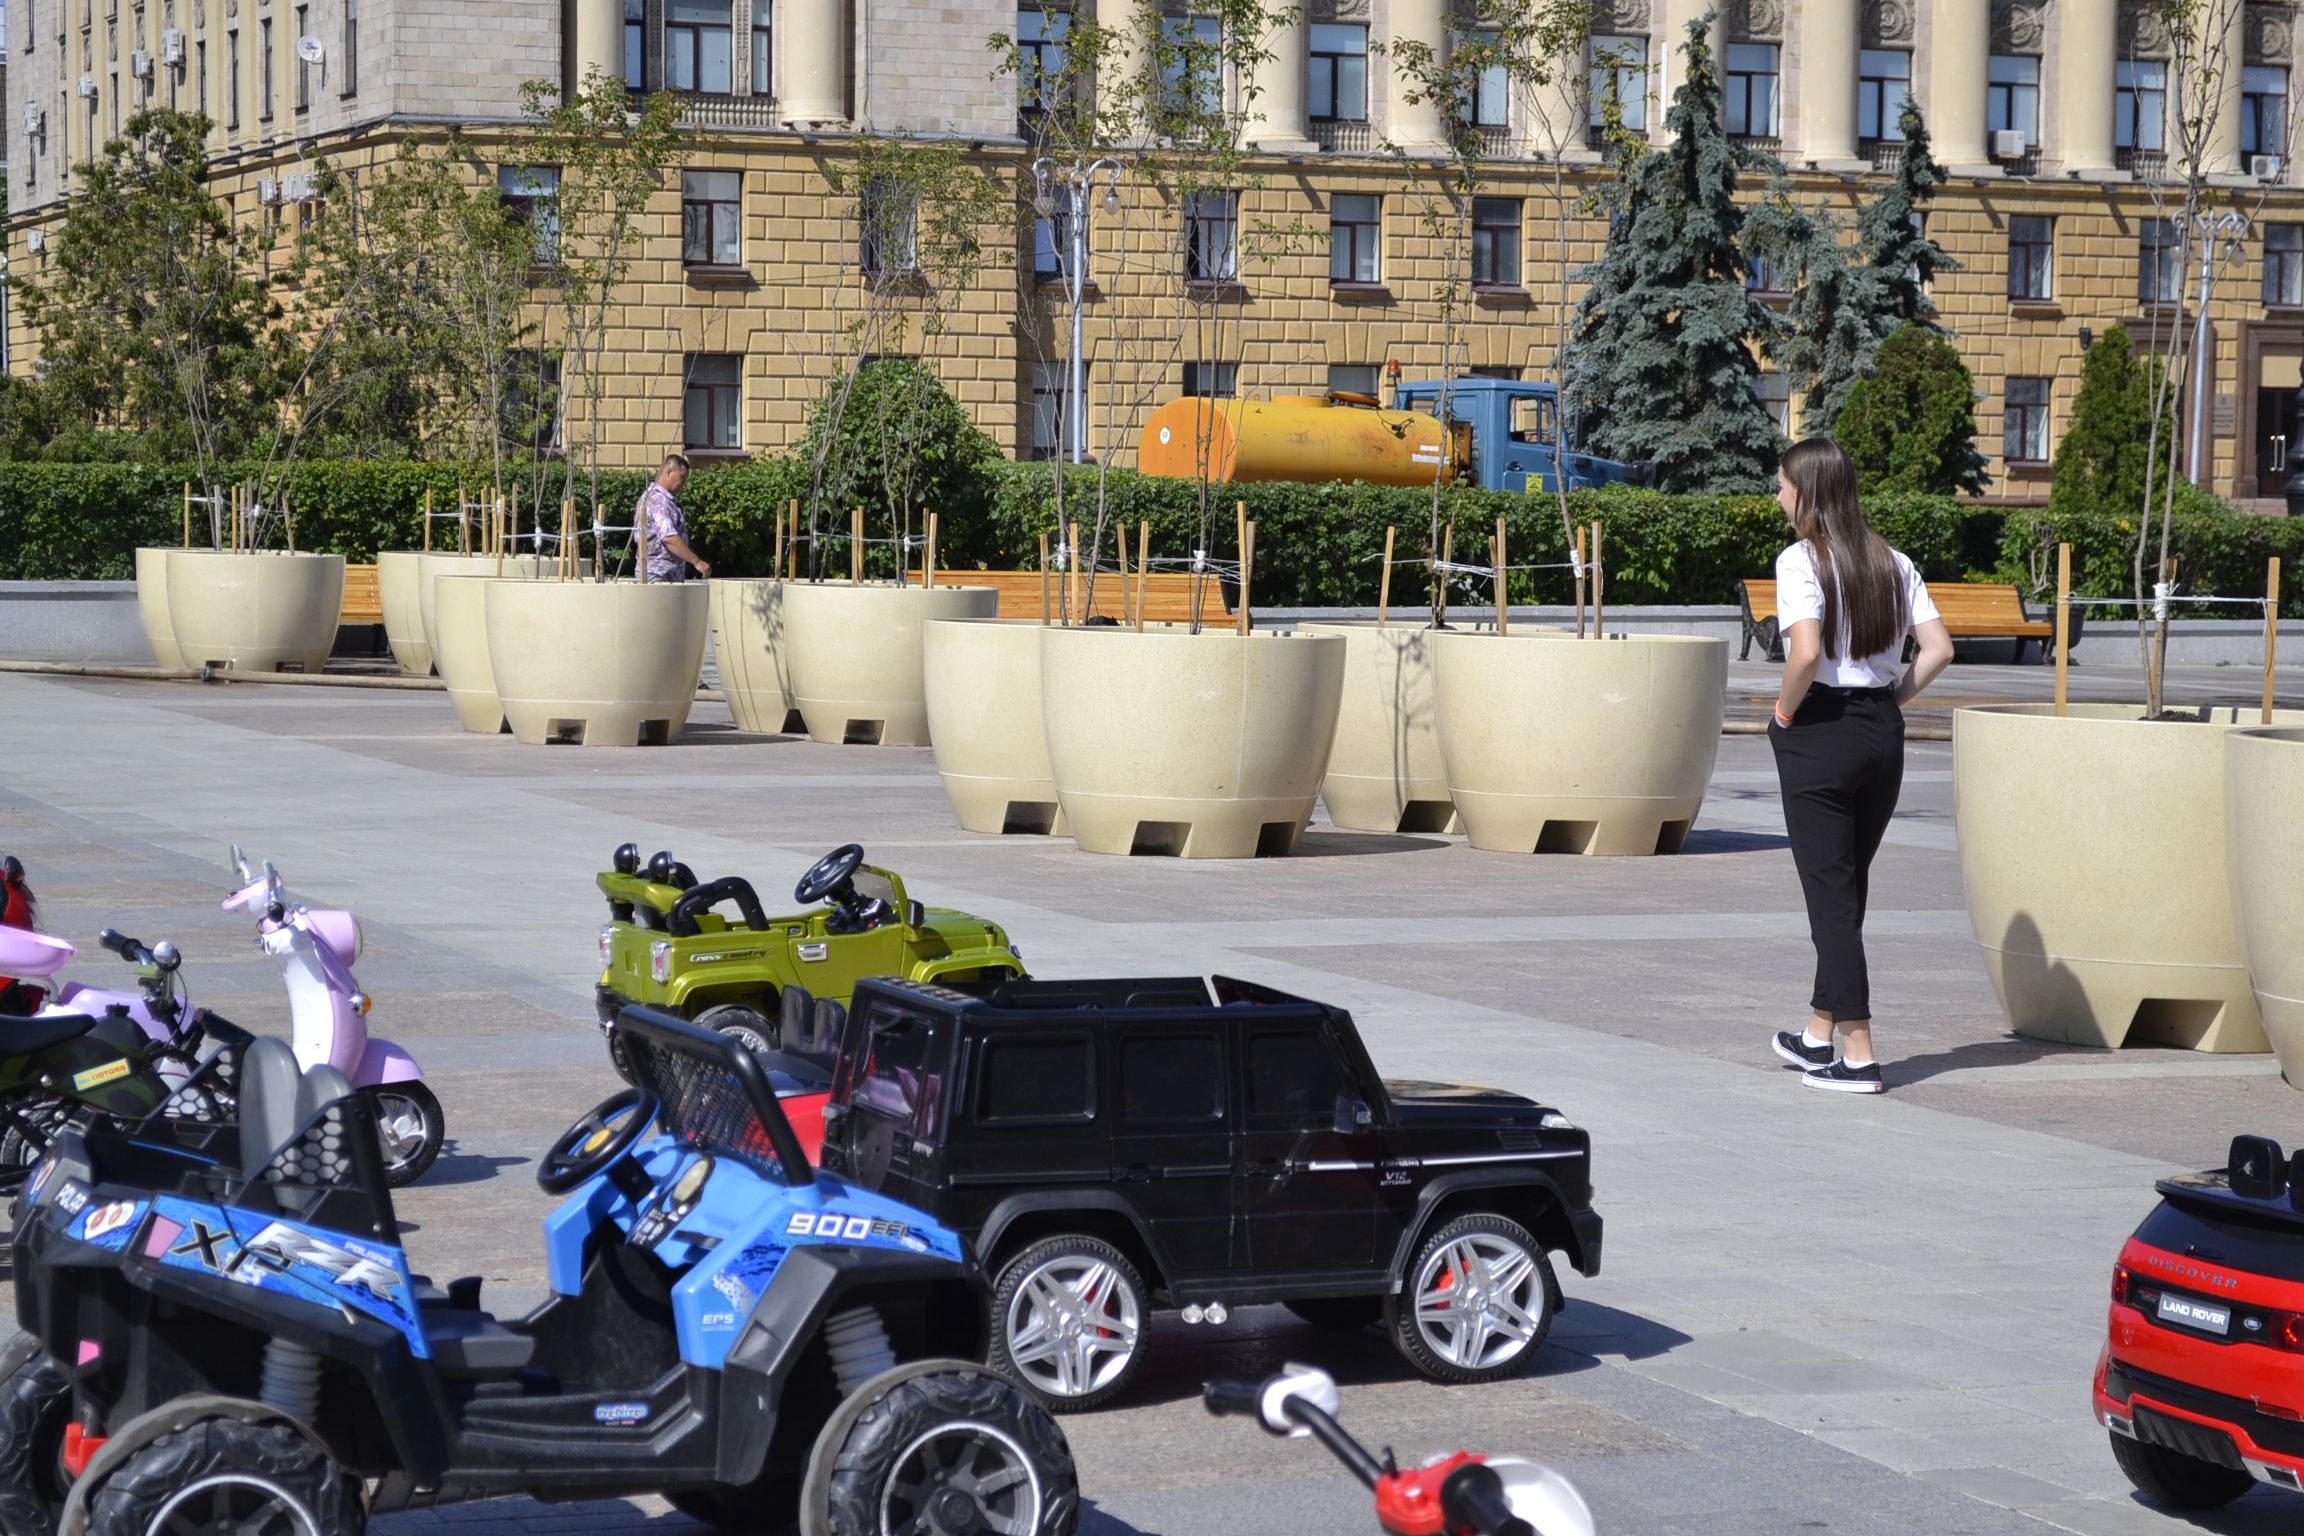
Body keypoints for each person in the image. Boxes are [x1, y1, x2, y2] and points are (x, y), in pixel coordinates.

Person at [1766, 438, 1954, 1094]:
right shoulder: (1891, 560)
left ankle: (1859, 1054)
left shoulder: (1798, 561)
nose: (1778, 495)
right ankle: (1820, 1034)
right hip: (1882, 733)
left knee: (1831, 898)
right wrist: (1890, 699)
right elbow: (1938, 649)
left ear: (1808, 493)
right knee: (1846, 890)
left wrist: (1784, 717)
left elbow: (1806, 655)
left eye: (1784, 485)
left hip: (1820, 729)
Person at [638, 454, 712, 582]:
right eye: (682, 477)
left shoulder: (661, 499)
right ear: (669, 472)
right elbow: (668, 537)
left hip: (663, 574)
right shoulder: (657, 501)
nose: (684, 482)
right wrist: (697, 562)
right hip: (658, 574)